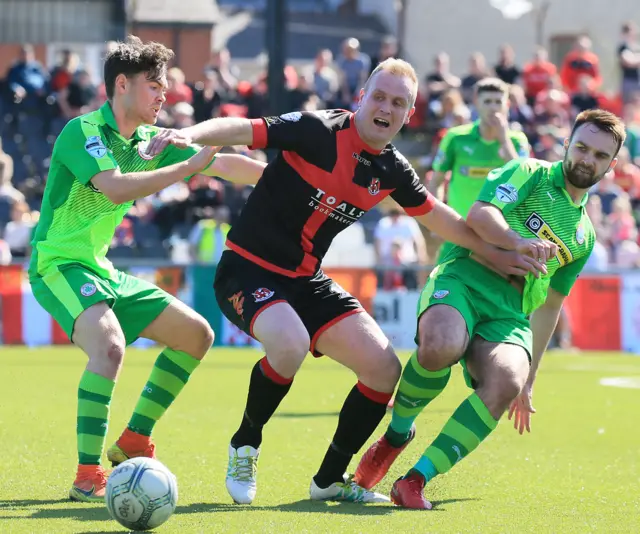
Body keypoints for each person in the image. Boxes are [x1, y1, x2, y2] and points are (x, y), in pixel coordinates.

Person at [148, 57, 547, 505]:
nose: (386, 107)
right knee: (290, 344)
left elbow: (444, 221)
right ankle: (245, 444)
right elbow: (242, 128)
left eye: (398, 102)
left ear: (409, 114)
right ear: (361, 97)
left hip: (306, 282)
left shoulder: (393, 169)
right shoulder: (317, 129)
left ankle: (329, 481)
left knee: (383, 370)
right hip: (246, 268)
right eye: (378, 96)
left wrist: (506, 252)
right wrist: (187, 135)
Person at [27, 36, 266, 503]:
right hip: (58, 262)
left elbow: (225, 166)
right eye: (155, 84)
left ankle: (135, 438)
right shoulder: (83, 131)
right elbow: (115, 188)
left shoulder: (146, 142)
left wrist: (291, 178)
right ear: (122, 84)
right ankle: (87, 474)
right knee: (110, 347)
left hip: (99, 269)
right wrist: (187, 168)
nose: (165, 94)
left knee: (196, 335)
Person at [353, 109, 626, 509]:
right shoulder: (530, 171)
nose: (588, 159)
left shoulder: (583, 235)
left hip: (510, 312)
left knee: (508, 380)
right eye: (582, 147)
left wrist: (531, 377)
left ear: (612, 165)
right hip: (464, 277)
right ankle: (396, 435)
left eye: (600, 155)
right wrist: (518, 242)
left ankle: (415, 480)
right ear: (567, 144)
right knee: (440, 345)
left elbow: (550, 305)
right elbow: (481, 214)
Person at [428, 77, 530, 260]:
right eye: (487, 101)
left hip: (501, 238)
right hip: (458, 234)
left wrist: (504, 140)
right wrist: (437, 220)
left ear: (507, 104)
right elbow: (436, 181)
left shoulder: (517, 141)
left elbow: (525, 181)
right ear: (476, 103)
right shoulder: (456, 138)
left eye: (498, 102)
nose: (493, 107)